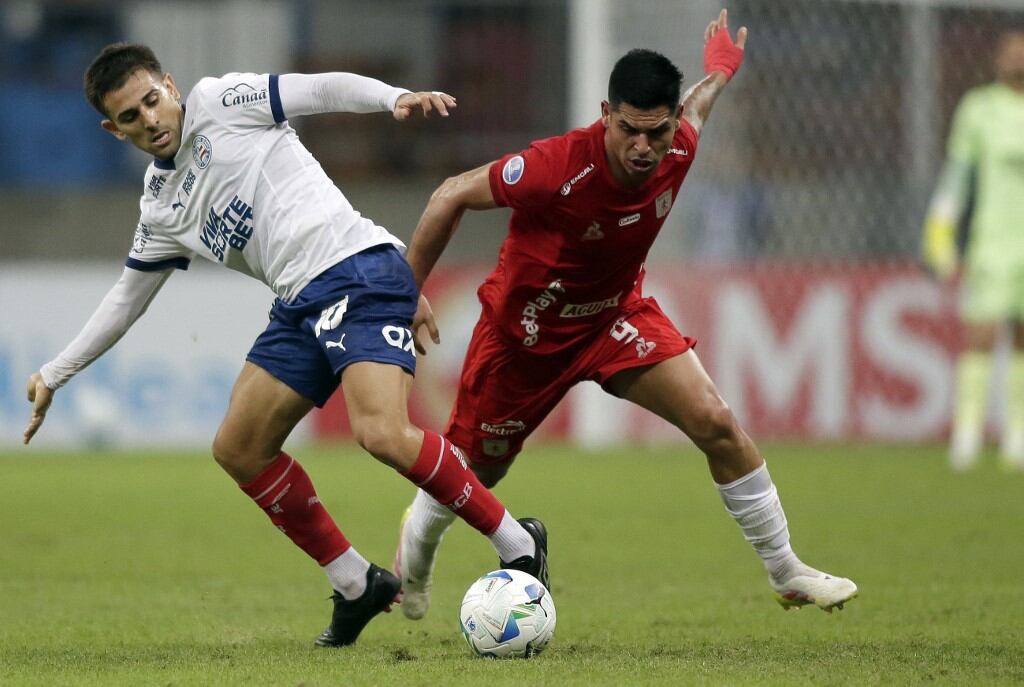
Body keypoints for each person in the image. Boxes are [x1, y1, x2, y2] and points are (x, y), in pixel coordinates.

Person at [22, 42, 548, 647]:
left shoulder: (220, 101)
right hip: (299, 302)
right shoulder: (160, 207)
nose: (151, 120)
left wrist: (393, 98)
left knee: (380, 432)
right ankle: (356, 584)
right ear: (113, 130)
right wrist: (56, 372)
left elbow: (318, 89)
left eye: (152, 100)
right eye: (131, 117)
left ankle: (518, 542)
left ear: (170, 85)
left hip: (357, 270)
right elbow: (127, 299)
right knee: (239, 448)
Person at [393, 9, 857, 620]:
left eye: (656, 132)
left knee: (716, 422)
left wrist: (720, 70)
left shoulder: (677, 145)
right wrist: (406, 292)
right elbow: (450, 193)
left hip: (613, 318)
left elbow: (697, 109)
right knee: (470, 474)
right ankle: (416, 557)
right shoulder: (556, 166)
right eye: (628, 131)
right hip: (524, 341)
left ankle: (786, 570)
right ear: (605, 114)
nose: (643, 147)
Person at [922, 29, 1024, 471]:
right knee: (981, 335)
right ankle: (967, 432)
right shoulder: (979, 109)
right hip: (993, 242)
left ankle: (1018, 436)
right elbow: (957, 177)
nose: (1017, 58)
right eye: (1010, 51)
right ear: (998, 59)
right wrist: (939, 235)